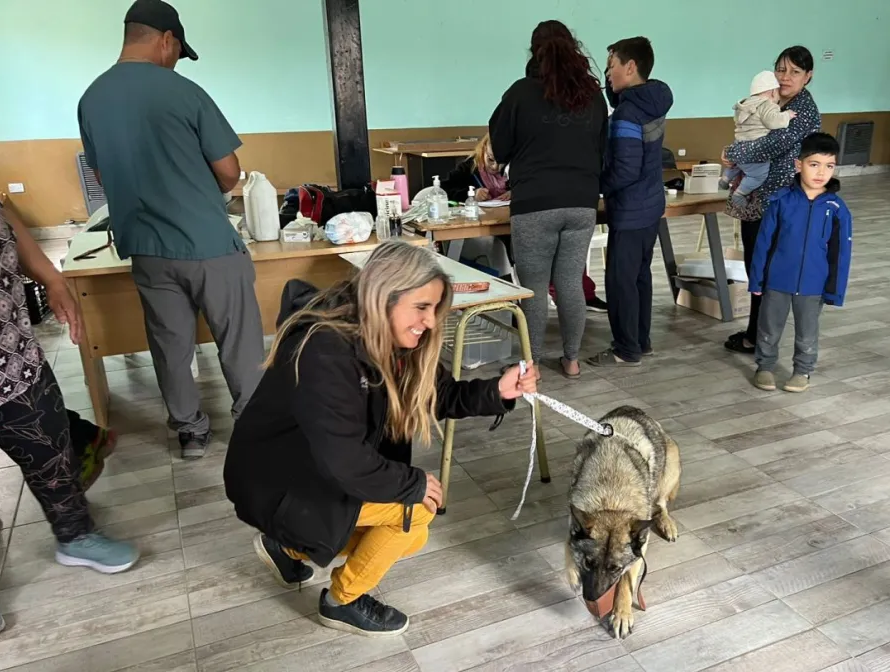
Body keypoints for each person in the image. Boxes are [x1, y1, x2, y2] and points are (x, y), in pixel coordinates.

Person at [223, 242, 537, 636]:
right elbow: (344, 460)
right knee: (415, 513)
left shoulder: (390, 338)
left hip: (313, 473)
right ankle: (342, 600)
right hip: (276, 483)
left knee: (412, 530)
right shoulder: (325, 349)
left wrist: (498, 391)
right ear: (383, 296)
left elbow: (439, 396)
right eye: (421, 308)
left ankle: (287, 548)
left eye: (434, 310)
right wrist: (413, 484)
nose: (430, 322)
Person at [77, 0, 264, 459]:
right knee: (238, 340)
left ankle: (191, 432)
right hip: (207, 243)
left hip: (145, 247)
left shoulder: (92, 98)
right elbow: (229, 171)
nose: (175, 61)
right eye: (178, 51)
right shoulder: (183, 92)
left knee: (170, 344)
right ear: (166, 39)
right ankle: (253, 425)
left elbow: (100, 176)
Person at [0, 203, 139, 585]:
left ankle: (75, 536)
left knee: (52, 453)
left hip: (14, 361)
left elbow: (7, 221)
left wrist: (53, 279)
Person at [489, 20, 608, 380]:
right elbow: (602, 149)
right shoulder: (592, 94)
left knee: (534, 287)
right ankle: (571, 360)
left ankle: (533, 363)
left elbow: (500, 147)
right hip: (582, 201)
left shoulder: (520, 92)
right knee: (571, 282)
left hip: (535, 203)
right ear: (573, 48)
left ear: (533, 51)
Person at [721, 46, 821, 355]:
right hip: (758, 197)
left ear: (808, 77)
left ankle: (760, 339)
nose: (785, 77)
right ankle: (756, 332)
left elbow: (770, 145)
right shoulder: (769, 99)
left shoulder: (803, 110)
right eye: (781, 70)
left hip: (782, 202)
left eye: (794, 72)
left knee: (769, 273)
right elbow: (746, 131)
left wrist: (731, 153)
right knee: (756, 267)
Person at [441, 134, 607, 315]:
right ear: (483, 149)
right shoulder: (469, 167)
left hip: (520, 220)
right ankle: (510, 303)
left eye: (501, 162)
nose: (495, 166)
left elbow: (539, 185)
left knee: (560, 242)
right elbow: (446, 189)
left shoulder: (519, 166)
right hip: (490, 230)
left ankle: (577, 295)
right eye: (490, 160)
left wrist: (516, 191)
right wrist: (470, 194)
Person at [586, 36, 673, 368]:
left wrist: (594, 186)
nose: (608, 74)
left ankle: (625, 348)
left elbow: (624, 168)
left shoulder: (627, 114)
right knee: (639, 276)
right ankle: (641, 341)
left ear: (630, 67)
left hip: (630, 208)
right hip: (651, 204)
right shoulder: (652, 100)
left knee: (621, 280)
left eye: (611, 67)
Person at [749, 133, 852, 393]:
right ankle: (765, 367)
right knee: (769, 328)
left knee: (807, 332)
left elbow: (840, 254)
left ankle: (802, 371)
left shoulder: (837, 208)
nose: (821, 172)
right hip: (777, 281)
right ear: (799, 165)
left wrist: (834, 290)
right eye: (814, 164)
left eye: (829, 166)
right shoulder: (780, 201)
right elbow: (764, 244)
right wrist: (757, 279)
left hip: (813, 284)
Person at [721, 71, 796, 208]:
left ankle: (726, 178)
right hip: (754, 148)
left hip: (738, 144)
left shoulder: (744, 105)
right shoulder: (767, 105)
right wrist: (787, 115)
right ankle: (740, 193)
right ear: (773, 92)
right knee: (757, 175)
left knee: (737, 163)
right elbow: (773, 122)